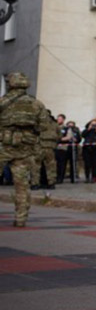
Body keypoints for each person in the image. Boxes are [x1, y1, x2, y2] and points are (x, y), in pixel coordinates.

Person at [0, 72, 49, 228]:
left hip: (3, 145)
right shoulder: (36, 104)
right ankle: (20, 219)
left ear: (11, 84)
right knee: (22, 185)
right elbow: (44, 126)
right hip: (25, 147)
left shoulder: (2, 102)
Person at [35, 110, 59, 191]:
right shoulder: (54, 124)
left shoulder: (37, 123)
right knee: (51, 166)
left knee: (36, 166)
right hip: (50, 147)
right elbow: (59, 135)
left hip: (39, 147)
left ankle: (35, 184)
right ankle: (51, 183)